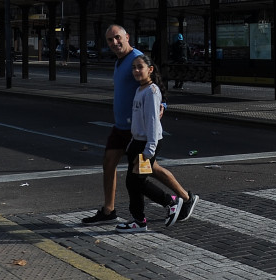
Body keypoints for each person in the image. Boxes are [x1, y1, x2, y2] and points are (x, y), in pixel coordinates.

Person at [81, 24, 199, 225]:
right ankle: (108, 210)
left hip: (138, 132)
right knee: (109, 163)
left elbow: (157, 83)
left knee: (149, 169)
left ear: (127, 37)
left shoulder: (137, 58)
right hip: (122, 127)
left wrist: (162, 104)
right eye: (110, 40)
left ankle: (186, 198)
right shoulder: (120, 61)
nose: (114, 43)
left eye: (118, 38)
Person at [116, 54, 184, 232]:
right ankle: (138, 220)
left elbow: (153, 122)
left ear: (150, 70)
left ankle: (170, 203)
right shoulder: (141, 90)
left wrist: (149, 149)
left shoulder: (152, 92)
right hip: (138, 143)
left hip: (147, 144)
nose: (136, 71)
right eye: (134, 68)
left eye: (140, 67)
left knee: (136, 182)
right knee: (133, 182)